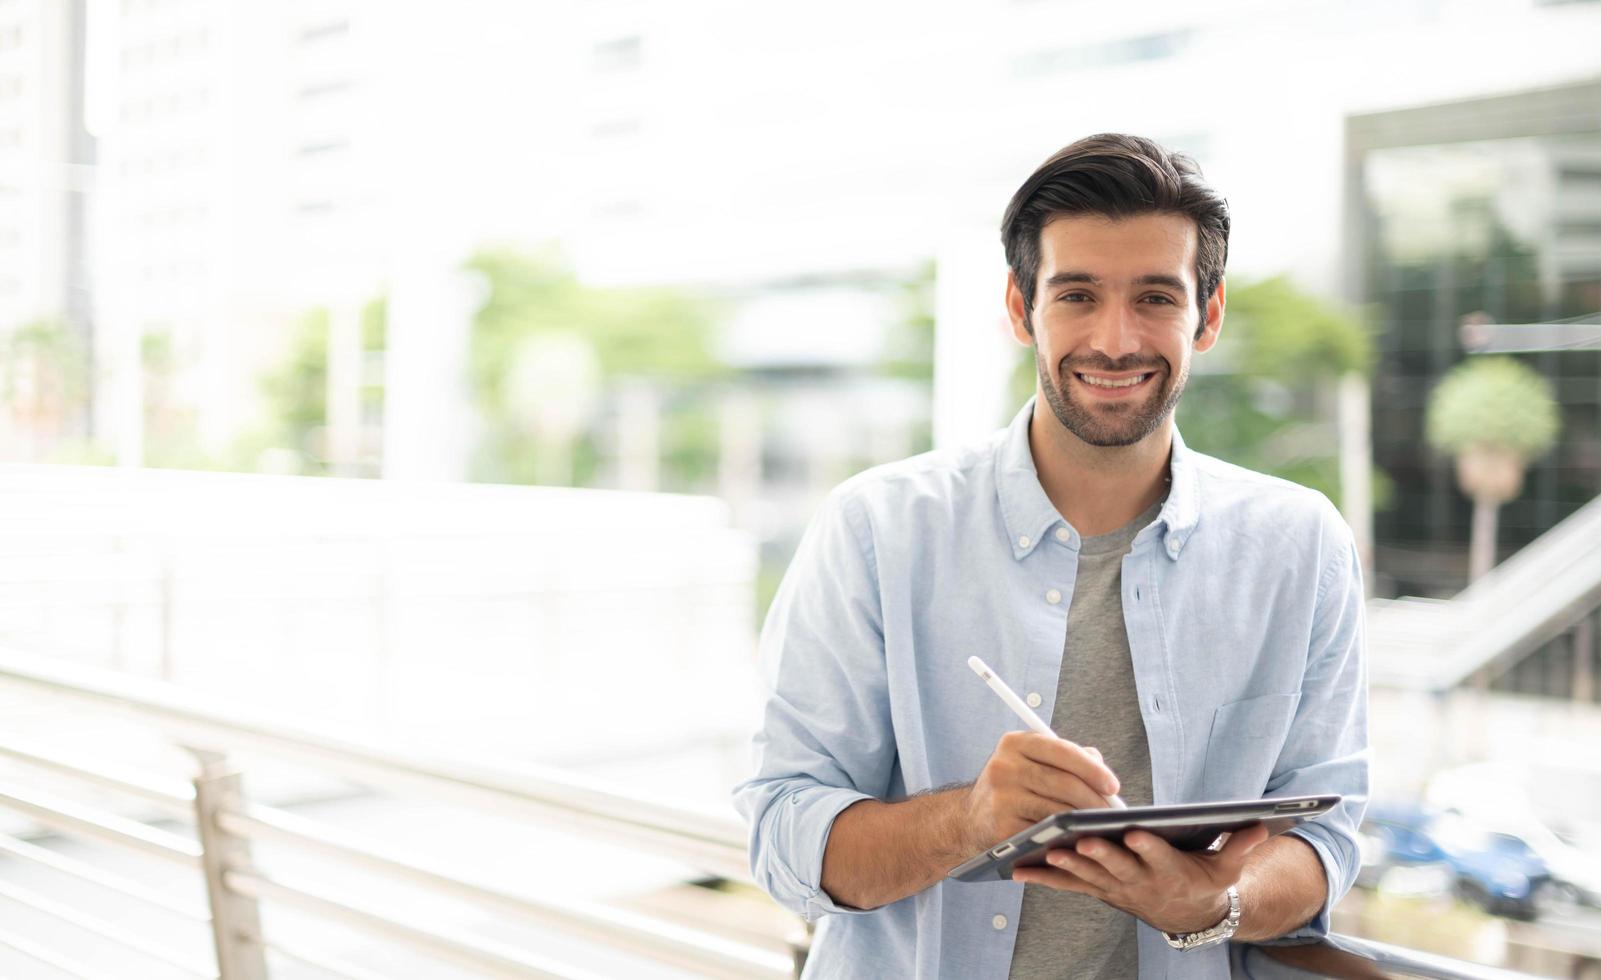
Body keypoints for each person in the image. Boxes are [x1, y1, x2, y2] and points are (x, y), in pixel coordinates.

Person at [732, 133, 1368, 980]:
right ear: (1019, 306)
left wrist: (1213, 904)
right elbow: (784, 838)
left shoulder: (1299, 544)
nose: (1114, 340)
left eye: (1154, 297)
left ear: (1206, 316)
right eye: (1076, 295)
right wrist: (974, 817)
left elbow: (1322, 836)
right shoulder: (875, 528)